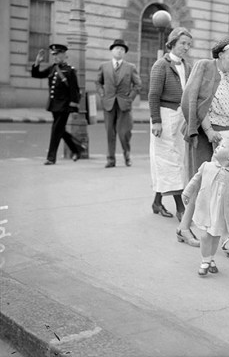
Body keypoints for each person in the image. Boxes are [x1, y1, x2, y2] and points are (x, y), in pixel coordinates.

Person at [180, 35, 229, 254]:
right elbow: (197, 101)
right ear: (220, 55)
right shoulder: (205, 67)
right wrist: (209, 131)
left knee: (222, 186)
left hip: (226, 134)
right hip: (206, 131)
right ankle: (185, 228)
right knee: (202, 183)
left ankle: (223, 237)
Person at [147, 27, 199, 247]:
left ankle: (157, 202)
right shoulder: (161, 65)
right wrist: (156, 120)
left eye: (188, 44)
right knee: (170, 160)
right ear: (172, 43)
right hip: (165, 116)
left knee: (176, 158)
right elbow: (153, 95)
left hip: (180, 116)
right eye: (182, 43)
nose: (186, 47)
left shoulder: (187, 65)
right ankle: (180, 207)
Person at [182, 132, 229, 276]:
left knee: (215, 237)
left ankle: (211, 258)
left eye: (222, 146)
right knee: (206, 236)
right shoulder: (207, 166)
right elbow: (196, 179)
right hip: (206, 208)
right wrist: (187, 192)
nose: (217, 148)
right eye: (219, 146)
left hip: (221, 212)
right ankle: (205, 260)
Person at [31, 44, 85, 165]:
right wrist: (37, 62)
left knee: (56, 130)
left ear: (64, 55)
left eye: (57, 54)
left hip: (64, 106)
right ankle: (77, 148)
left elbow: (74, 90)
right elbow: (36, 74)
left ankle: (51, 157)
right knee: (60, 130)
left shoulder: (70, 70)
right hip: (54, 104)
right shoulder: (52, 68)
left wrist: (73, 106)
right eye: (53, 55)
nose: (54, 57)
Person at [96, 39, 142, 168]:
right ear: (112, 51)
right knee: (110, 133)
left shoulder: (130, 67)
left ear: (124, 53)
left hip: (124, 104)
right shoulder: (104, 66)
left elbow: (138, 85)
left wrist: (130, 98)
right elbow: (98, 82)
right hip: (108, 104)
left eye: (122, 49)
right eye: (117, 48)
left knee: (124, 133)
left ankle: (127, 156)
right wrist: (102, 94)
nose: (119, 51)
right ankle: (110, 159)